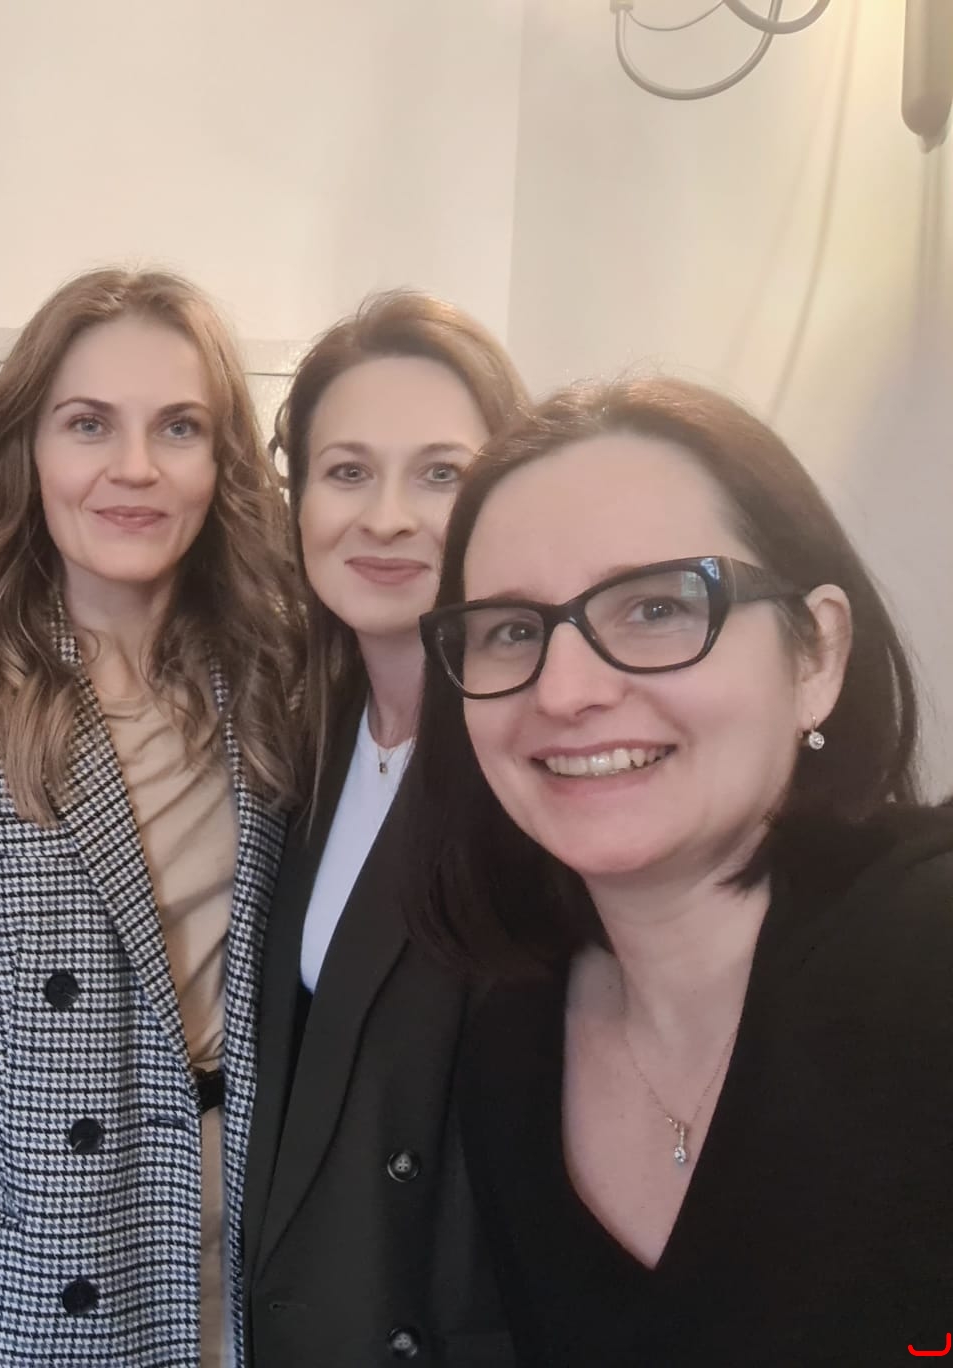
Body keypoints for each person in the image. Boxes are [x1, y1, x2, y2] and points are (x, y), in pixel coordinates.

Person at [407, 377, 953, 1365]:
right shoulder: (509, 1050)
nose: (565, 692)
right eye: (514, 631)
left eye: (656, 607)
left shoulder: (928, 949)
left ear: (818, 654)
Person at [0, 268, 305, 1368]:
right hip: (57, 1257)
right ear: (28, 449)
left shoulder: (286, 674)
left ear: (223, 460)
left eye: (178, 427)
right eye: (89, 424)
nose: (134, 468)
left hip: (274, 1239)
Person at [240, 291, 526, 1367]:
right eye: (348, 471)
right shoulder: (306, 741)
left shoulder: (539, 762)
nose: (389, 517)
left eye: (441, 474)